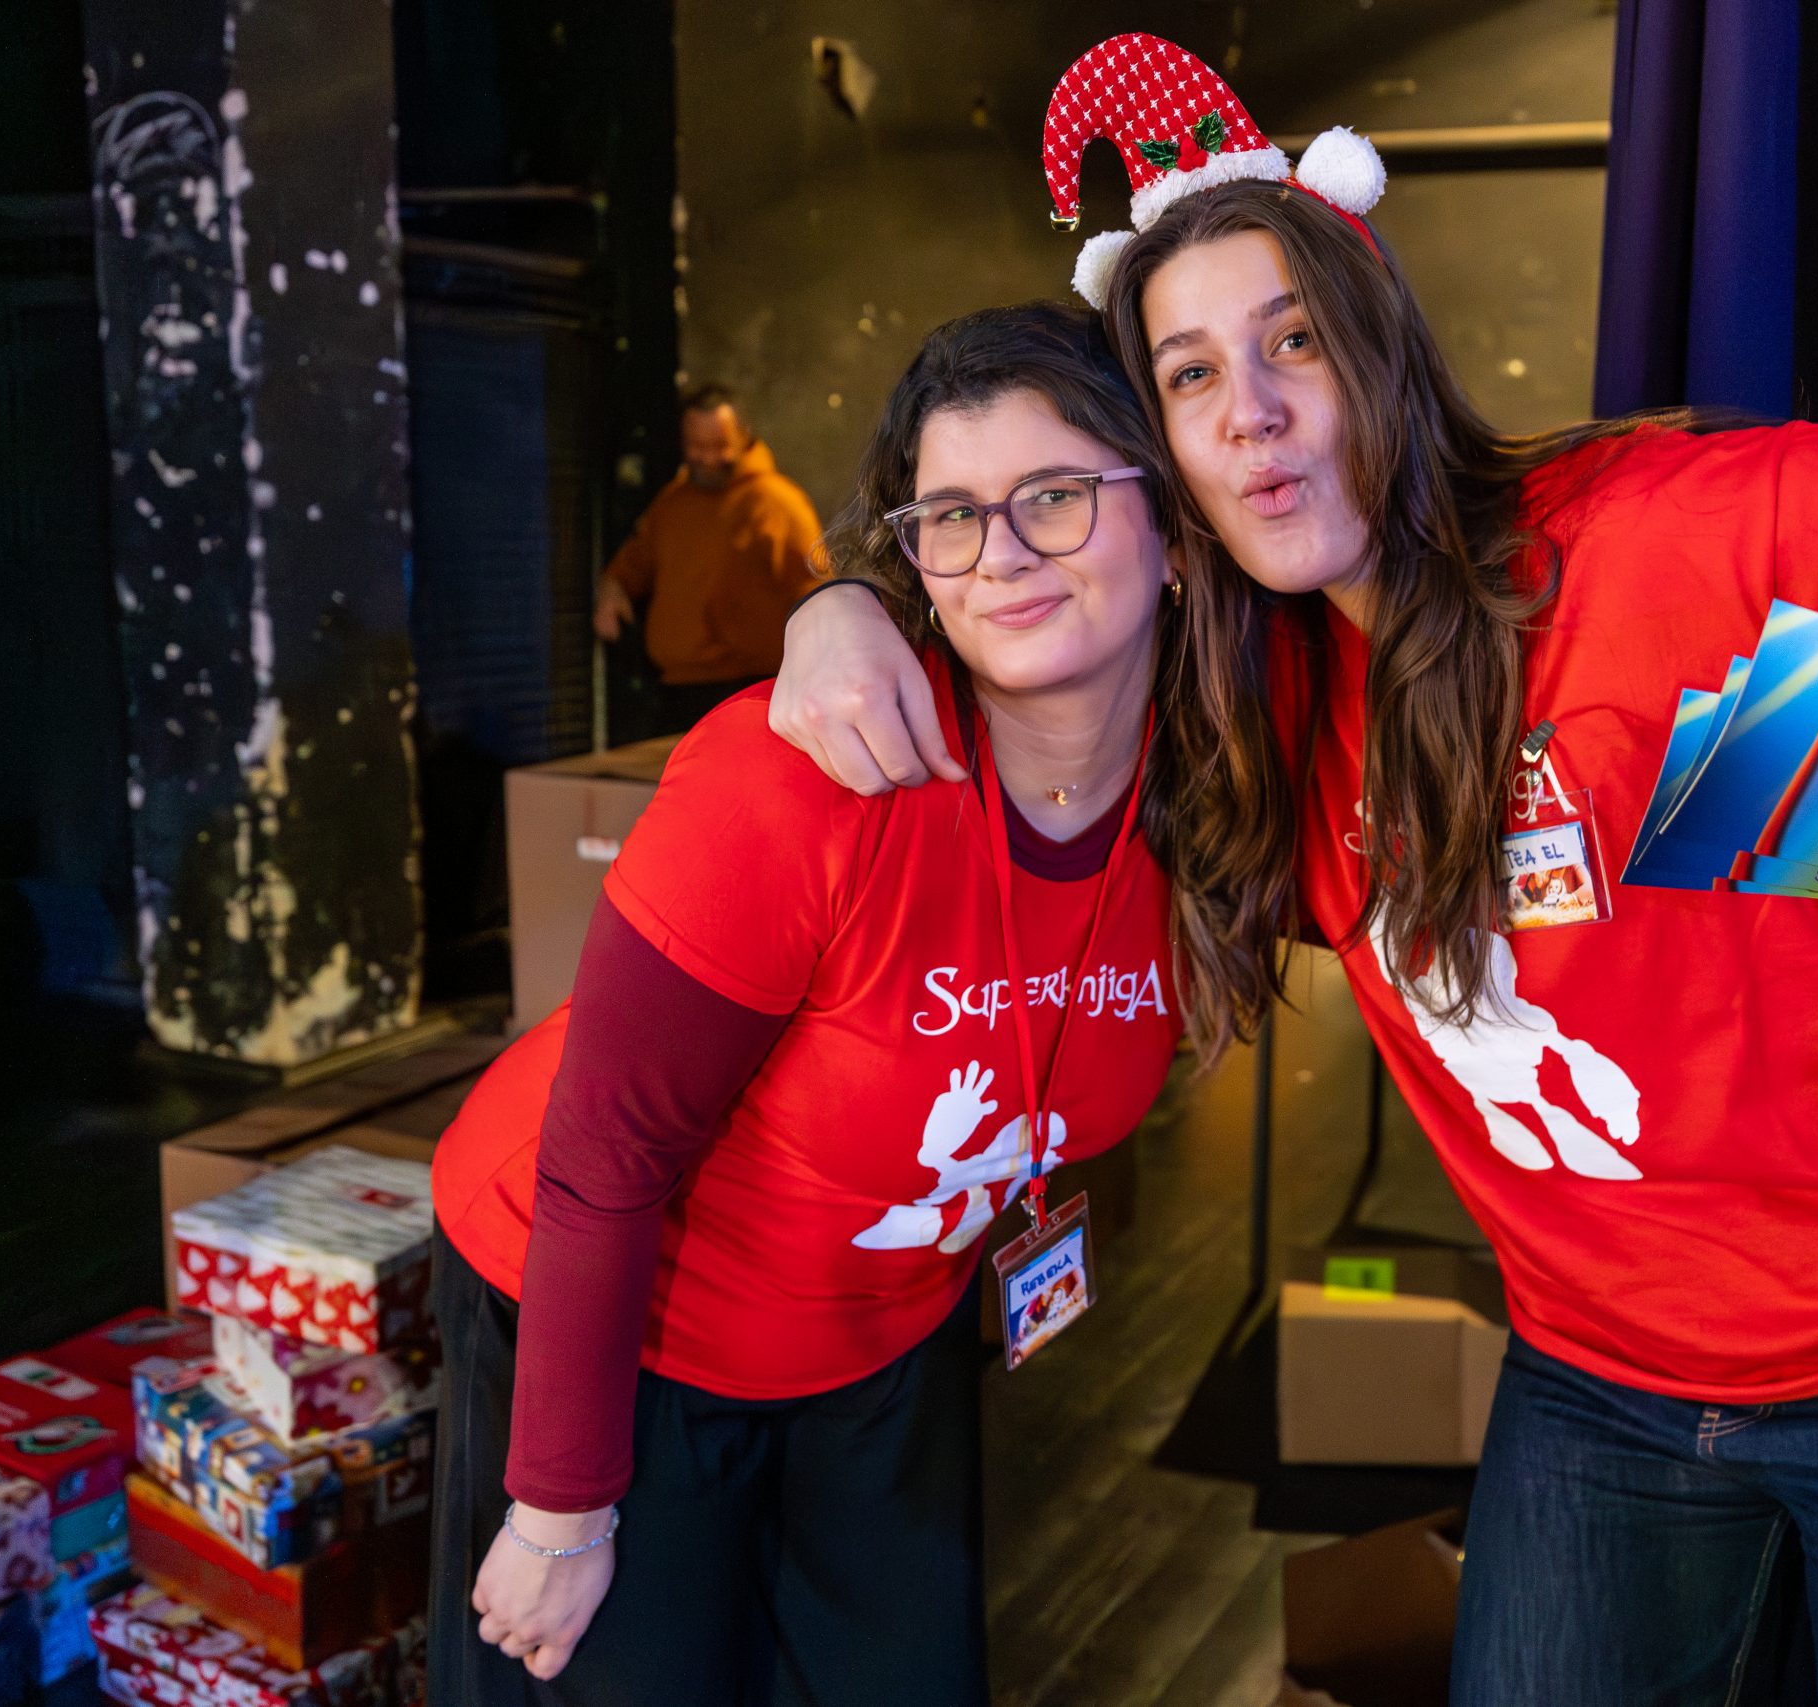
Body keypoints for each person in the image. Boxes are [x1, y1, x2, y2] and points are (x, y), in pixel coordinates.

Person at [762, 37, 1818, 1705]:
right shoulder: (1241, 709)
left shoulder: (1677, 539)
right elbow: (1006, 596)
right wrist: (843, 602)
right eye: (1191, 374)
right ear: (1166, 456)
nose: (1256, 409)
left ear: (1384, 348)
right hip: (1603, 1384)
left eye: (1295, 339)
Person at [425, 304, 1235, 1705]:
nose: (1001, 555)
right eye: (952, 517)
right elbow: (603, 1155)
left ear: (1173, 527)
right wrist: (560, 1505)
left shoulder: (1221, 787)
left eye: (1054, 495)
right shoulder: (808, 780)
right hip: (618, 1317)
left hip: (882, 1331)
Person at [593, 384, 830, 731]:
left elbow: (819, 594)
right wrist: (611, 587)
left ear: (743, 438)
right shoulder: (672, 504)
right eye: (696, 446)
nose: (707, 458)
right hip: (676, 691)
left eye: (719, 446)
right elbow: (632, 565)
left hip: (753, 690)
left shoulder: (778, 504)